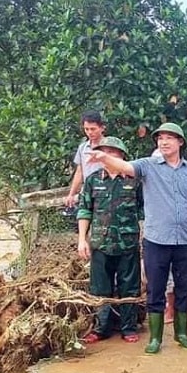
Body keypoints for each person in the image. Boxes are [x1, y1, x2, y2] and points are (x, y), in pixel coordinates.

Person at [87, 122, 187, 354]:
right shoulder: (148, 166)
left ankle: (181, 333)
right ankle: (156, 338)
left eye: (170, 138)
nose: (164, 142)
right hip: (156, 240)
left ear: (180, 142)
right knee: (156, 288)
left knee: (184, 287)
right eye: (160, 138)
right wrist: (103, 157)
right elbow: (124, 165)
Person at [77, 136, 143, 343]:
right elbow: (84, 210)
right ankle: (101, 328)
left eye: (112, 152)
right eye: (104, 152)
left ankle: (128, 327)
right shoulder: (93, 180)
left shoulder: (134, 181)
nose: (107, 156)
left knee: (129, 286)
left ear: (122, 156)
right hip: (100, 242)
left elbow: (144, 212)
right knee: (99, 288)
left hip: (127, 243)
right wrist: (82, 239)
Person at [65, 110, 106, 207]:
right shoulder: (83, 148)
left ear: (102, 128)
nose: (89, 132)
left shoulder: (110, 147)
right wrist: (71, 194)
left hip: (105, 193)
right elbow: (79, 172)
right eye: (86, 129)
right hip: (87, 193)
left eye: (93, 129)